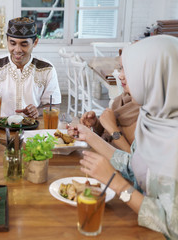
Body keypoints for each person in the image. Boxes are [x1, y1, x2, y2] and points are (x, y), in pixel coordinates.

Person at [69, 35, 178, 238]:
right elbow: (134, 164)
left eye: (127, 68)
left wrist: (118, 185)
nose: (119, 75)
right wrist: (89, 136)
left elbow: (171, 226)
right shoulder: (155, 116)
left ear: (155, 73)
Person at [0, 17, 61, 118]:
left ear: (35, 42)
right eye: (12, 43)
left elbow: (54, 105)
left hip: (33, 127)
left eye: (24, 44)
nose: (17, 50)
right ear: (7, 41)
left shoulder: (47, 69)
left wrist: (37, 111)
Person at [80, 51, 140, 152]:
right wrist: (97, 124)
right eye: (121, 68)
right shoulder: (122, 99)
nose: (120, 76)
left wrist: (112, 128)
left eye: (128, 70)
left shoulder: (149, 113)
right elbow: (107, 137)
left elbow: (134, 161)